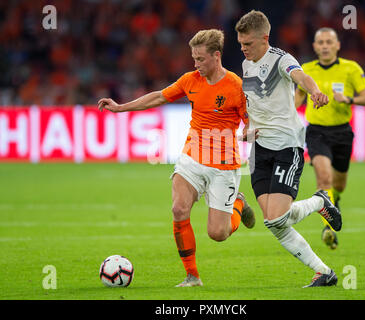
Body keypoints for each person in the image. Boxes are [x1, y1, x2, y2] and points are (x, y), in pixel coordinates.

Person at [98, 29, 256, 287]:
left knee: (218, 233)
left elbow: (251, 121)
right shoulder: (190, 79)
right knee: (179, 208)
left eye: (201, 59)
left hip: (223, 165)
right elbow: (160, 96)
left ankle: (238, 204)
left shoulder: (236, 86)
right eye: (193, 58)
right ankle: (192, 276)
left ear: (216, 56)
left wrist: (250, 131)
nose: (196, 64)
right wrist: (120, 107)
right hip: (191, 158)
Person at [235, 10, 342, 287]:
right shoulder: (246, 66)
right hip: (258, 149)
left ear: (264, 38)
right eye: (241, 43)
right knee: (273, 221)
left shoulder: (282, 60)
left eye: (248, 43)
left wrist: (315, 90)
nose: (243, 48)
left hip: (286, 146)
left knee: (277, 216)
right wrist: (246, 130)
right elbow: (254, 104)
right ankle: (324, 272)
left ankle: (320, 201)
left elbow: (301, 77)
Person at [294, 27, 365, 250]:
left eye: (330, 42)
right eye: (321, 42)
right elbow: (297, 100)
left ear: (338, 45)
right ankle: (328, 227)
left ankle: (333, 201)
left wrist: (347, 99)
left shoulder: (350, 68)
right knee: (324, 178)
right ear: (315, 47)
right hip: (317, 132)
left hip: (342, 133)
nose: (325, 46)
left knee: (338, 183)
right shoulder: (306, 70)